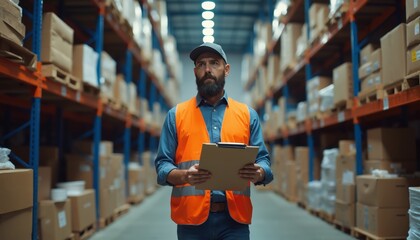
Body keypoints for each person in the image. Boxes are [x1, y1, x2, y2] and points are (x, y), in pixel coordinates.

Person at [155, 42, 273, 240]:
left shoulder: (247, 115)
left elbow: (265, 162)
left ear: (226, 70)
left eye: (214, 63)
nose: (207, 69)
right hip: (191, 222)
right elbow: (162, 166)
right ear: (195, 71)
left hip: (234, 221)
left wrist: (259, 172)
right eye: (201, 64)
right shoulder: (176, 115)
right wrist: (184, 176)